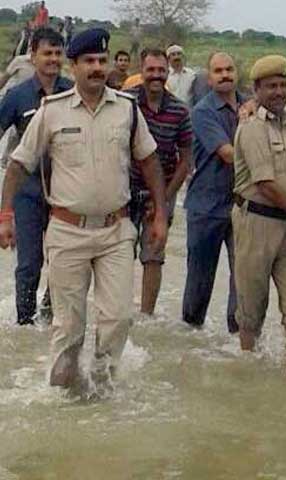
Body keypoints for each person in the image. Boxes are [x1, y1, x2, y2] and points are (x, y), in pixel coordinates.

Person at [0, 28, 167, 394]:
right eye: (88, 61)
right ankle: (62, 398)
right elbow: (18, 164)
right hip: (67, 232)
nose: (96, 67)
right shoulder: (51, 112)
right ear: (73, 66)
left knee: (118, 318)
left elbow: (150, 161)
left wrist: (160, 215)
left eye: (101, 61)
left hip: (116, 231)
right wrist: (6, 216)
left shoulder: (127, 109)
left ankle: (102, 391)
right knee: (69, 327)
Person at [232, 55, 286, 364]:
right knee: (251, 309)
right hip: (257, 223)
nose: (278, 92)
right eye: (270, 86)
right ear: (256, 90)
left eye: (283, 85)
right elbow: (264, 182)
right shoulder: (251, 127)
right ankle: (248, 368)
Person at [0, 27, 73, 325]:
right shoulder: (17, 96)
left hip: (66, 194)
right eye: (47, 53)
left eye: (58, 53)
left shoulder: (73, 92)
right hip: (27, 193)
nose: (53, 59)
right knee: (30, 264)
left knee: (65, 264)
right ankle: (25, 325)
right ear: (33, 56)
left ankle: (50, 316)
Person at [182, 52, 245, 332]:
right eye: (218, 71)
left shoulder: (250, 105)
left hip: (242, 205)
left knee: (242, 279)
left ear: (237, 73)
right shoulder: (203, 112)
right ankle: (190, 342)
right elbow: (228, 154)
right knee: (199, 283)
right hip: (206, 206)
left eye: (229, 69)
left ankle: (238, 342)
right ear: (209, 78)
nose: (224, 75)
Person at [126, 49, 192, 316]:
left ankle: (146, 318)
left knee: (154, 256)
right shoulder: (125, 103)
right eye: (150, 70)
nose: (156, 76)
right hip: (124, 191)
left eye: (160, 71)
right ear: (141, 71)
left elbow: (186, 159)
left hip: (163, 190)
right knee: (118, 254)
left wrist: (164, 198)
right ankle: (118, 313)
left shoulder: (179, 110)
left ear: (167, 73)